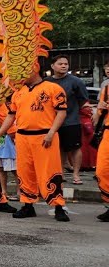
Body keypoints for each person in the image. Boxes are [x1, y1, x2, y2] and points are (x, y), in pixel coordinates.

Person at [0, 63, 70, 221]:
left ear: (34, 69)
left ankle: (58, 206)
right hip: (22, 137)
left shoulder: (53, 88)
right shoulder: (18, 92)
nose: (20, 76)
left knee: (50, 171)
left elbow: (61, 113)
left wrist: (51, 132)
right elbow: (11, 115)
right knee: (25, 171)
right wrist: (0, 133)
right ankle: (28, 205)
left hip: (44, 136)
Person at [46, 55, 90, 185]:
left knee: (75, 148)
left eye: (66, 64)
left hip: (72, 121)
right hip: (52, 122)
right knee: (58, 148)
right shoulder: (46, 82)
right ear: (52, 66)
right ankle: (60, 173)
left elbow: (83, 100)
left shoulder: (76, 81)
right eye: (60, 64)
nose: (64, 66)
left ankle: (76, 174)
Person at [92, 62, 109, 222]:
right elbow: (97, 115)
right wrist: (100, 109)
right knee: (102, 171)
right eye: (107, 68)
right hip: (107, 132)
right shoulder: (106, 89)